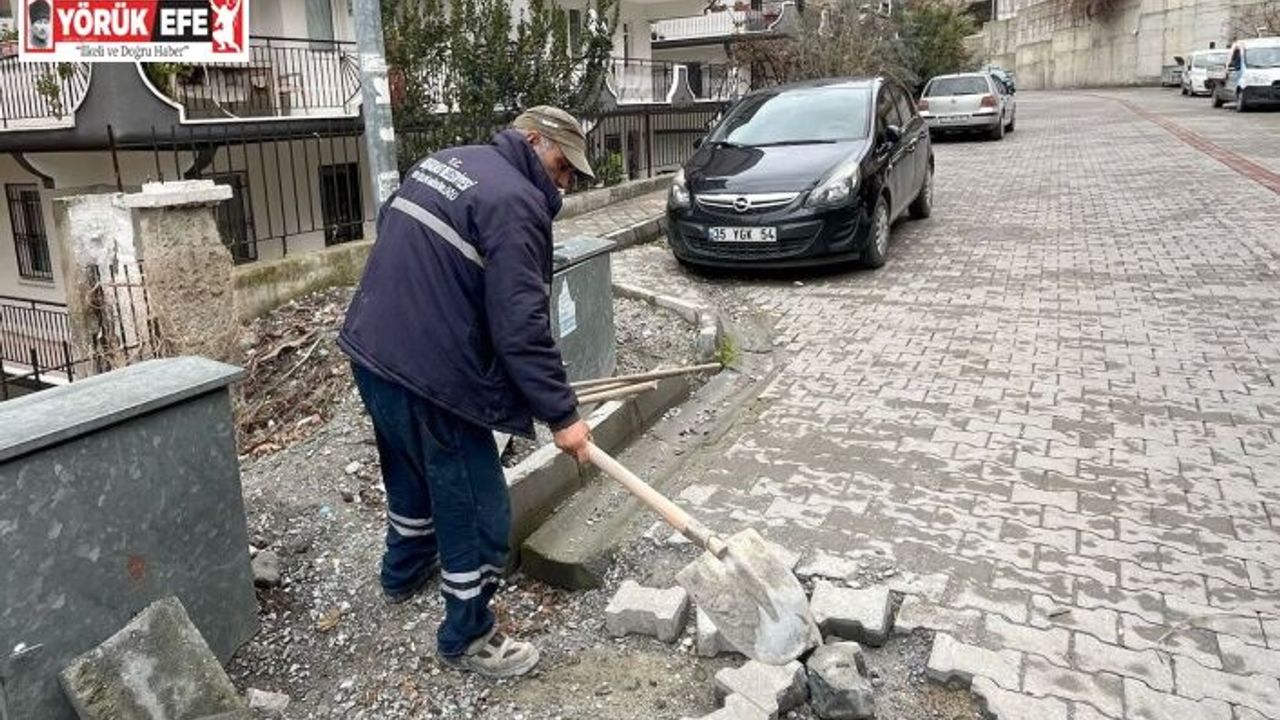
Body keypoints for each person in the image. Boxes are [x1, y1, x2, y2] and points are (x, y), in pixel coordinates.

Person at [337, 106, 595, 678]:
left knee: (409, 474)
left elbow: (414, 250)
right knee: (477, 507)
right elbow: (521, 327)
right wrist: (564, 416)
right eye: (560, 164)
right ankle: (470, 637)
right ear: (531, 141)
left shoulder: (445, 162)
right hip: (432, 376)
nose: (563, 181)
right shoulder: (515, 204)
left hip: (372, 348)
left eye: (572, 174)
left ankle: (401, 574)